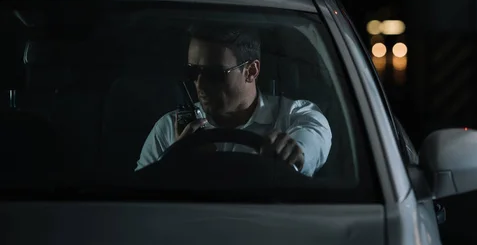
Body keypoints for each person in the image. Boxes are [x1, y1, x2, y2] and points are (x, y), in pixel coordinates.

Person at [135, 25, 332, 176]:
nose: (199, 84)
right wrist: (177, 163)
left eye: (214, 74)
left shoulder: (295, 117)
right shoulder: (170, 128)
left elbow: (310, 143)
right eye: (193, 71)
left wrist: (294, 154)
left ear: (251, 71)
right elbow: (139, 202)